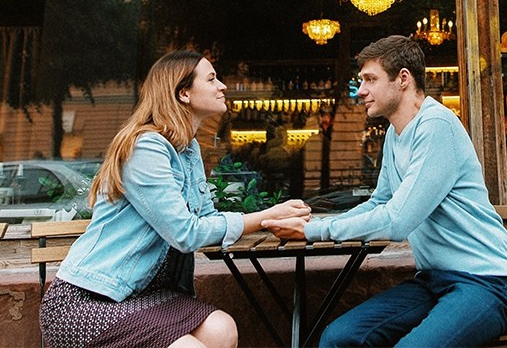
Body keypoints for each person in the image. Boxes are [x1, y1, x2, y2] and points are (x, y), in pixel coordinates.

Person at [262, 35, 507, 348]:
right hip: (434, 280)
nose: (361, 90)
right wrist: (314, 222)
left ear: (403, 79)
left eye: (370, 79)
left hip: (489, 284)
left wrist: (312, 231)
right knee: (339, 338)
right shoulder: (395, 134)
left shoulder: (436, 126)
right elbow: (380, 202)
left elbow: (396, 221)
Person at [39, 49, 311, 348]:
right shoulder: (146, 147)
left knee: (221, 329)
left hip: (148, 296)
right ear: (183, 93)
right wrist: (263, 217)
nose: (222, 86)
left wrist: (270, 222)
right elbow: (185, 233)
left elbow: (206, 219)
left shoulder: (187, 148)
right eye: (211, 79)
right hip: (89, 301)